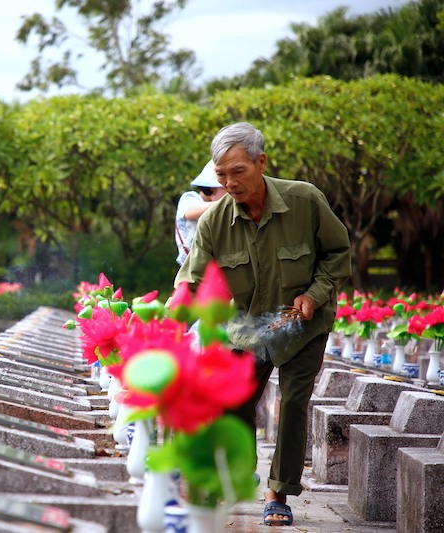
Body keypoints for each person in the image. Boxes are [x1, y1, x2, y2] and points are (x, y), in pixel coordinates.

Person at [174, 122, 351, 527]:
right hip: (249, 328)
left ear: (261, 162)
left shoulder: (304, 200)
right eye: (221, 174)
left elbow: (338, 253)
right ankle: (238, 474)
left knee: (292, 404)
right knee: (234, 399)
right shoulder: (215, 220)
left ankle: (279, 492)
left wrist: (315, 294)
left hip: (304, 324)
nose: (229, 182)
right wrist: (174, 307)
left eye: (238, 171)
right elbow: (192, 276)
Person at [174, 160, 227, 266]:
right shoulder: (189, 198)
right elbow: (190, 212)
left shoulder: (221, 210)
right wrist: (227, 201)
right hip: (192, 269)